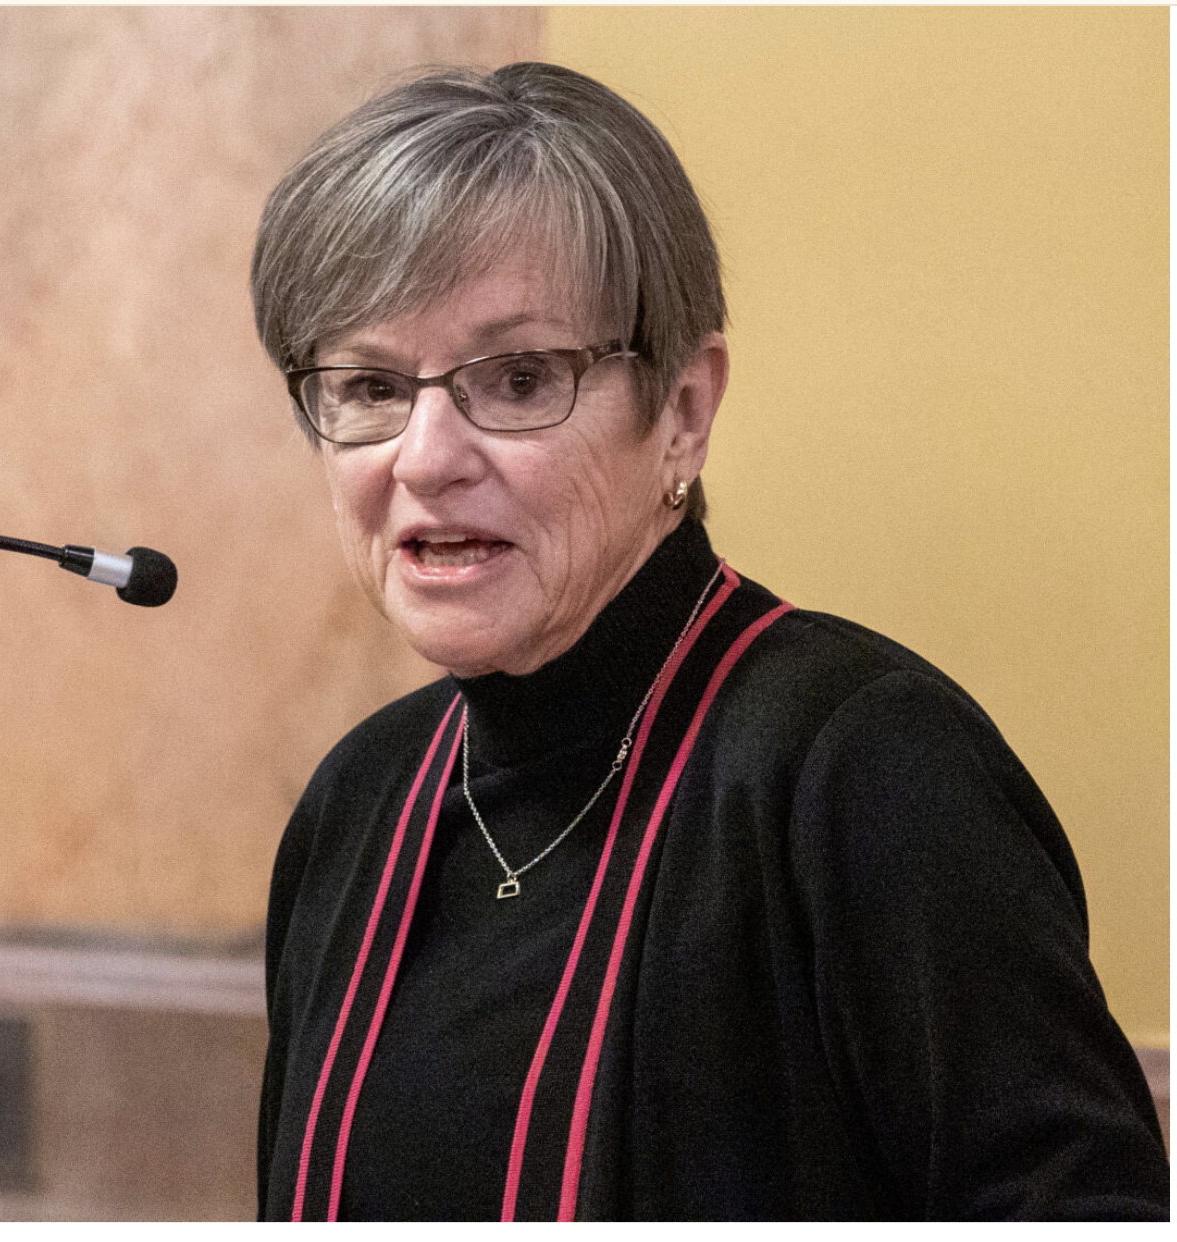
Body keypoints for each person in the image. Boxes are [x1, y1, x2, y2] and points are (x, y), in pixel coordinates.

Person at [249, 62, 1168, 1221]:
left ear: (682, 410)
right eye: (370, 386)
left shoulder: (862, 769)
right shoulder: (359, 803)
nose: (424, 458)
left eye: (519, 378)